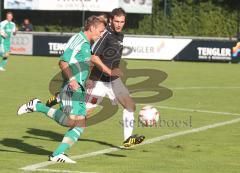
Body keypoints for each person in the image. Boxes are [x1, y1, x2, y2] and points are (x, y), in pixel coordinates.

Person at [46, 8, 145, 148]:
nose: (119, 24)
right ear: (111, 20)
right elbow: (93, 56)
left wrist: (114, 71)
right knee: (84, 113)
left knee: (129, 106)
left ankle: (128, 139)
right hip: (98, 80)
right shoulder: (105, 34)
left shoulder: (119, 35)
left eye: (122, 22)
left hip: (113, 81)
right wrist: (107, 71)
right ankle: (60, 98)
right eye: (116, 21)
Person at [17, 16, 106, 163]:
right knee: (71, 122)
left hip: (80, 87)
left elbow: (82, 64)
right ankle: (37, 106)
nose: (101, 34)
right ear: (92, 28)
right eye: (101, 31)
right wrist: (72, 80)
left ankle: (57, 154)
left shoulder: (87, 43)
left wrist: (87, 80)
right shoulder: (78, 39)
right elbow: (63, 62)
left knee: (80, 124)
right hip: (71, 86)